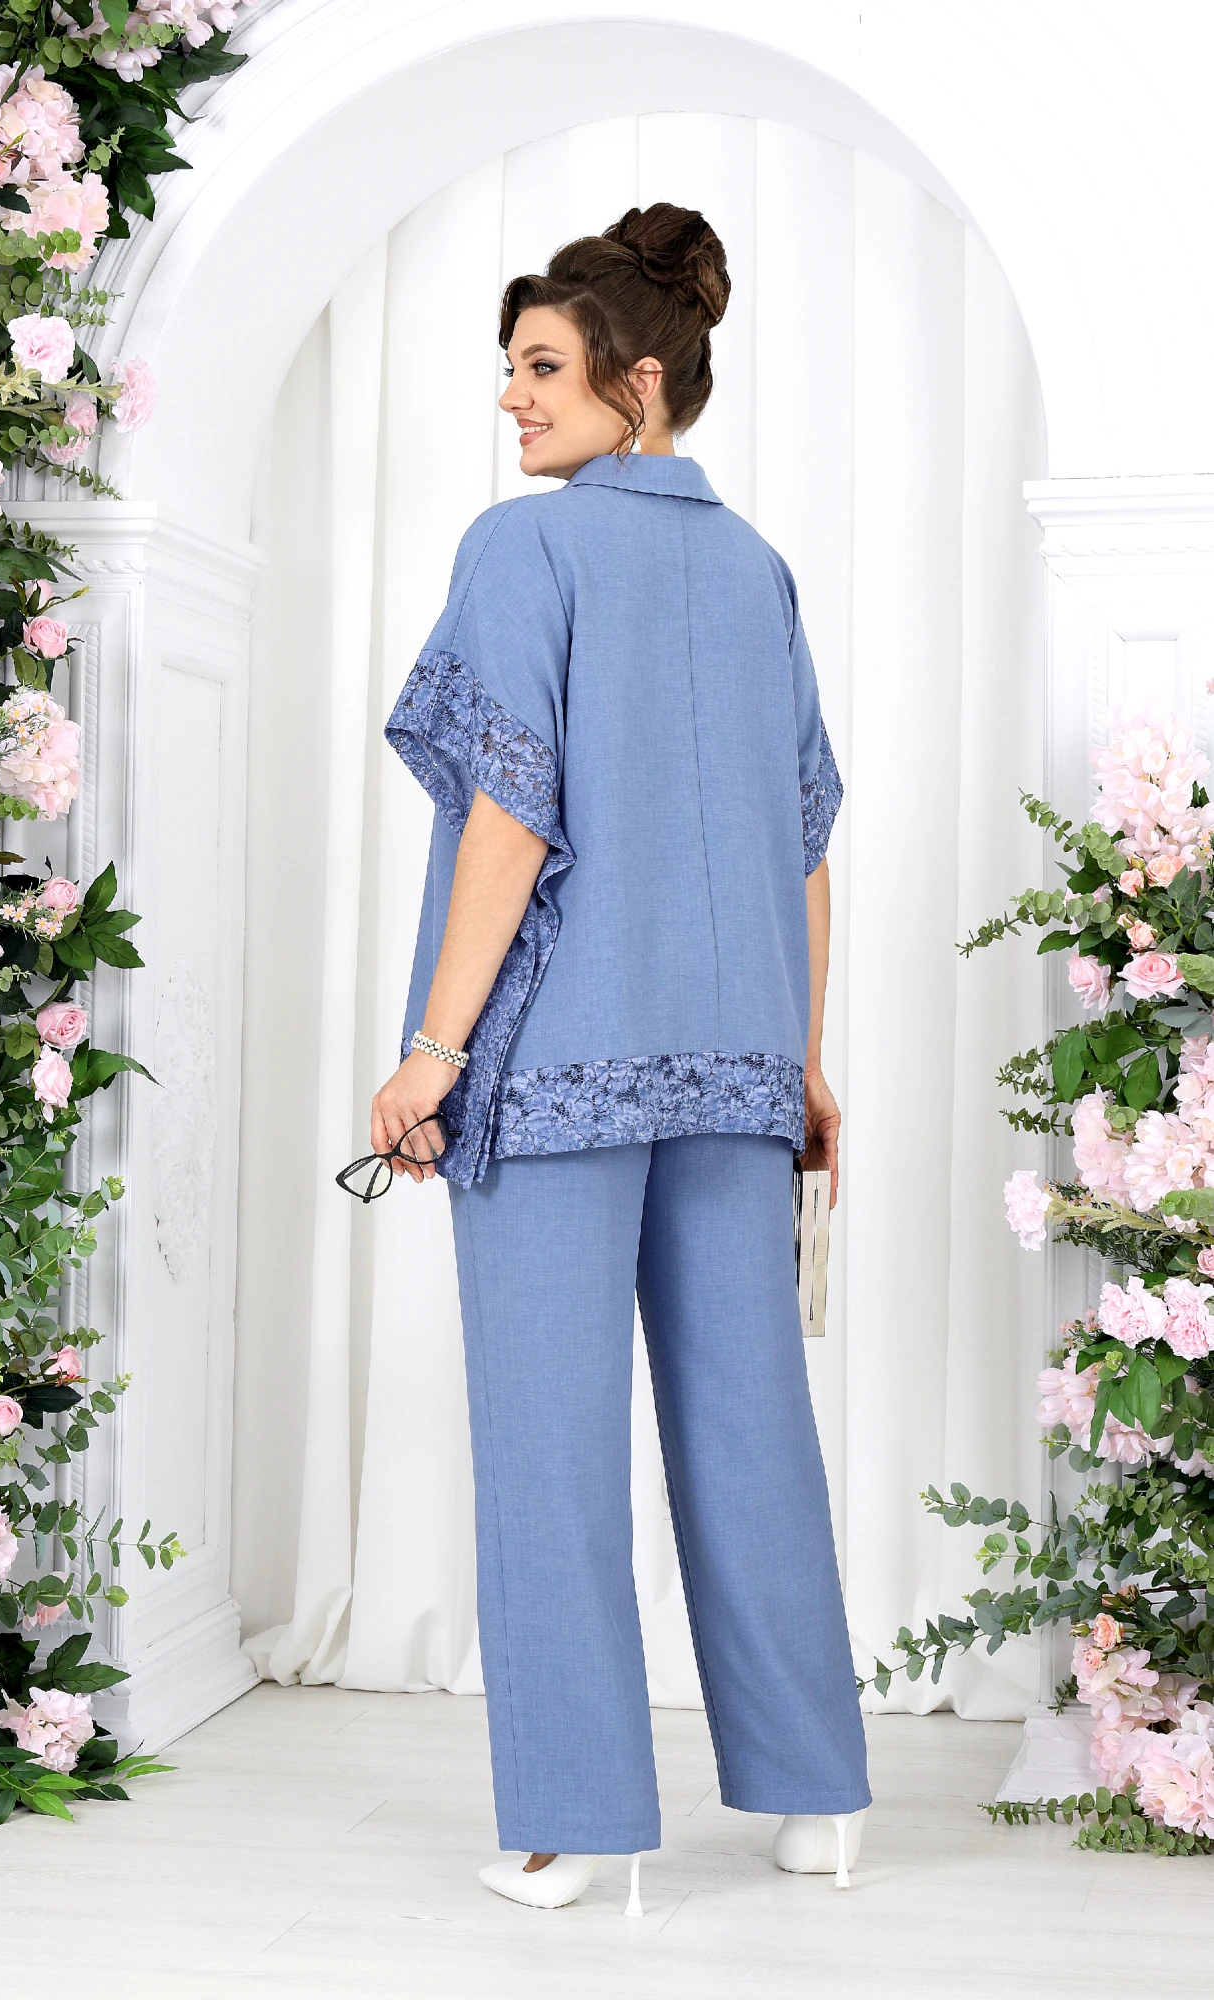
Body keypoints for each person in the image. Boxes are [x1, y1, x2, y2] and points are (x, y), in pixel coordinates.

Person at [372, 202, 870, 1911]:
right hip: (737, 1074)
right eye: (508, 367)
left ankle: (576, 1820)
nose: (511, 400)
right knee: (753, 1429)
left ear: (636, 382)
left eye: (541, 367)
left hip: (555, 1069)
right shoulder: (757, 570)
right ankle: (818, 1800)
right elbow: (805, 840)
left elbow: (510, 817)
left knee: (550, 1444)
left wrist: (431, 1052)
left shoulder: (527, 551)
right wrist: (803, 1064)